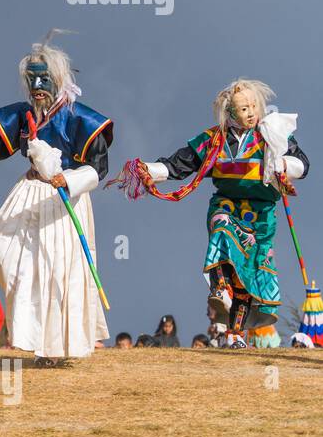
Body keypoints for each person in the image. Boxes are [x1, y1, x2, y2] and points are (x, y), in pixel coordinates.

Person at [0, 33, 112, 367]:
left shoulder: (81, 118)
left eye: (44, 80)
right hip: (30, 193)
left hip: (65, 199)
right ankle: (34, 336)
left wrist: (68, 179)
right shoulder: (25, 117)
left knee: (58, 270)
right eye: (32, 81)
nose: (37, 87)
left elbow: (98, 169)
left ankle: (53, 349)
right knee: (4, 252)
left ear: (58, 80)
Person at [110, 79, 308, 349]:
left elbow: (303, 165)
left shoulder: (272, 134)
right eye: (243, 108)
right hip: (226, 204)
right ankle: (219, 286)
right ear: (230, 113)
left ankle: (235, 333)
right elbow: (180, 164)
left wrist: (282, 163)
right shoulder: (214, 140)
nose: (251, 112)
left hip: (260, 215)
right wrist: (149, 170)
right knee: (222, 227)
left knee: (244, 279)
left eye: (253, 106)